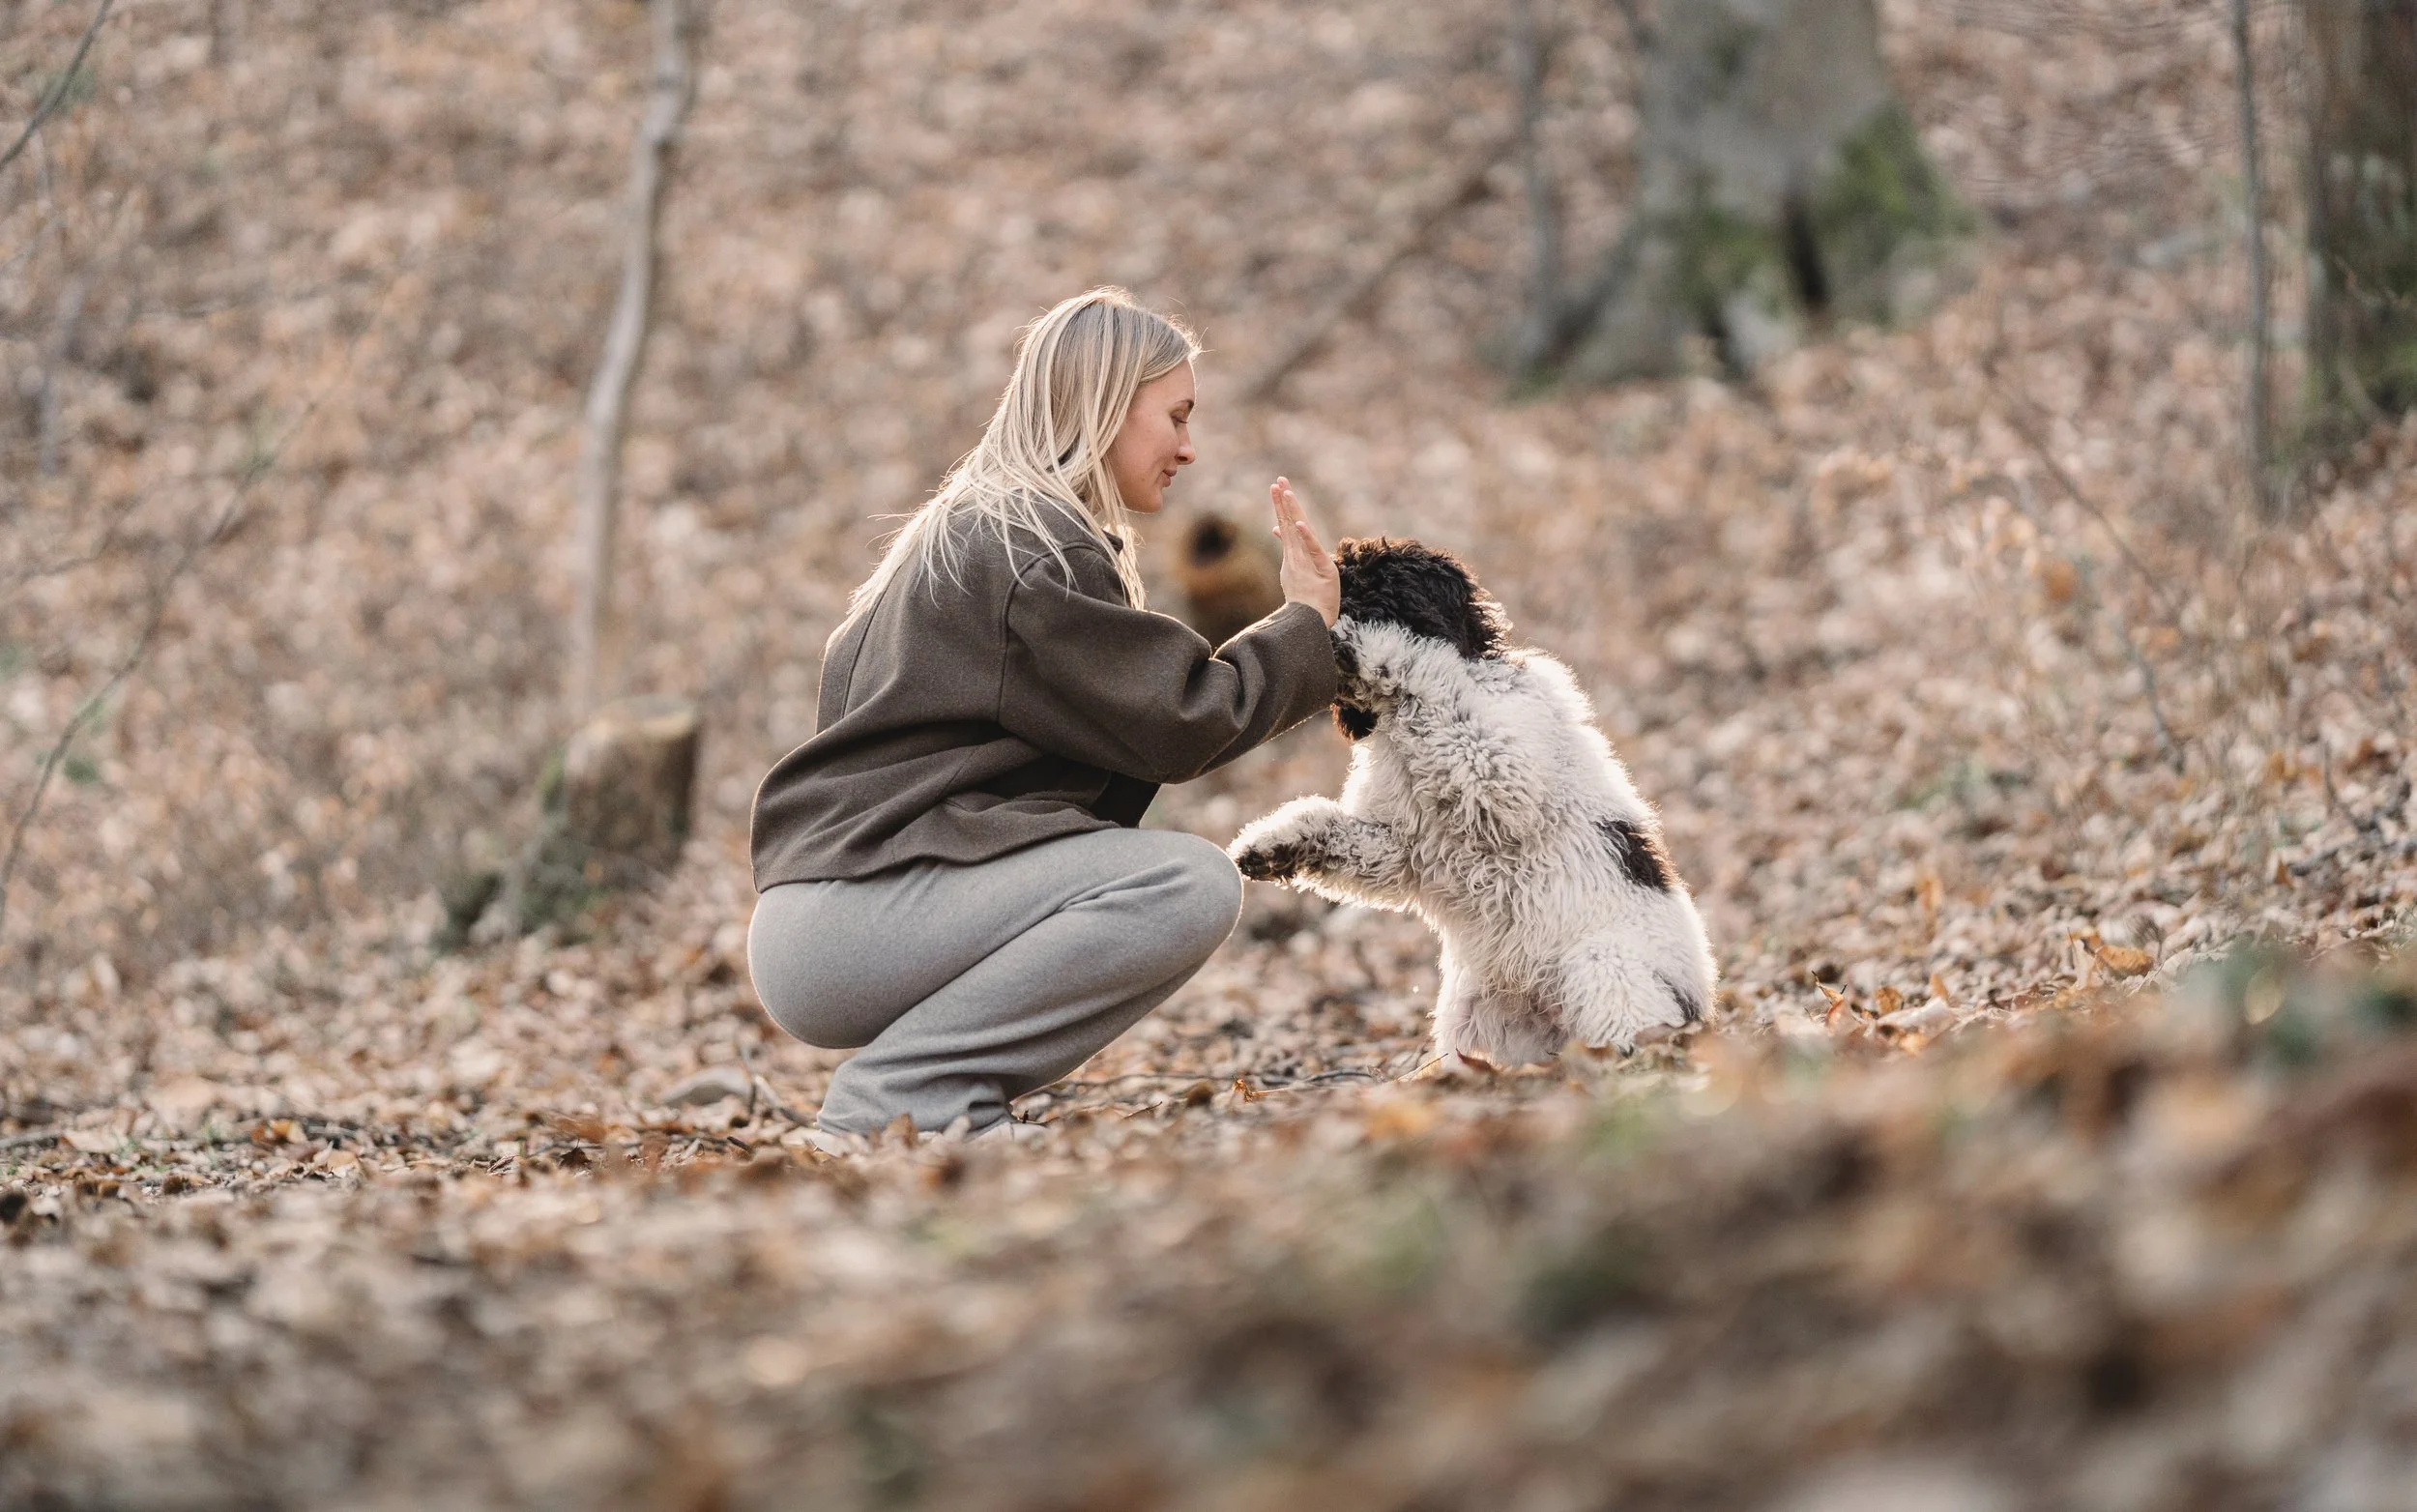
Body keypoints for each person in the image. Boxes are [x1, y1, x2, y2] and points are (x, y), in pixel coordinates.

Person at [746, 288, 1343, 1146]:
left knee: (1150, 873)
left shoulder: (958, 538)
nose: (1188, 447)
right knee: (1185, 882)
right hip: (857, 918)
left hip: (825, 919)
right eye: (1174, 416)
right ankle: (903, 1102)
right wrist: (1306, 626)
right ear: (1103, 404)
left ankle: (928, 1103)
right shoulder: (1031, 550)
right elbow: (1179, 719)